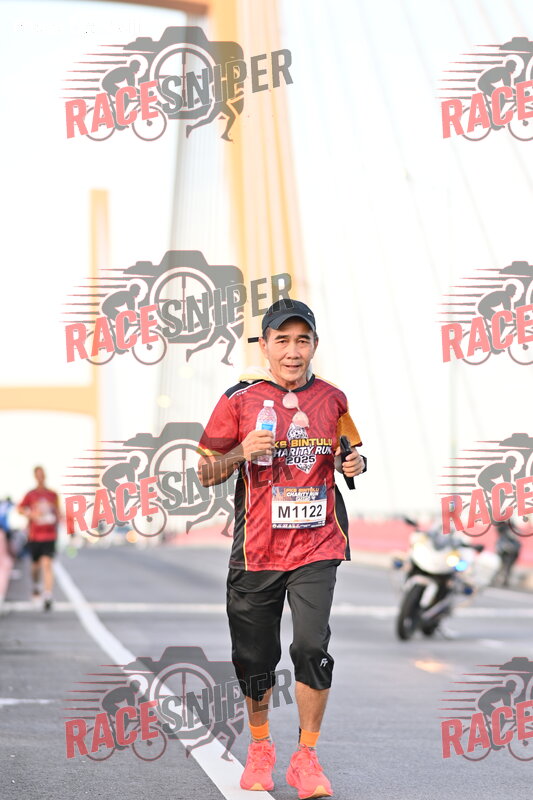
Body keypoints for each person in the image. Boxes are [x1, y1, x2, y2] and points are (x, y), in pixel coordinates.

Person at [197, 299, 366, 798]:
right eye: (283, 340)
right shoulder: (239, 398)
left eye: (303, 340)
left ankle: (306, 757)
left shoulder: (333, 399)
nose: (293, 351)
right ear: (265, 346)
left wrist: (355, 464)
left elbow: (350, 451)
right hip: (257, 550)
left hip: (318, 543)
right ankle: (260, 745)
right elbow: (205, 472)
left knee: (311, 647)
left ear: (314, 346)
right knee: (255, 656)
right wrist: (239, 452)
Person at [18, 466, 60, 611]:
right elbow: (20, 509)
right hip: (35, 535)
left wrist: (55, 519)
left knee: (47, 563)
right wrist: (31, 515)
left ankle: (47, 595)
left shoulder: (52, 494)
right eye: (38, 475)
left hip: (49, 535)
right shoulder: (30, 495)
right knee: (35, 566)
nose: (41, 477)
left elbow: (58, 512)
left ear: (45, 476)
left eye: (42, 474)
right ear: (35, 477)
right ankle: (36, 585)